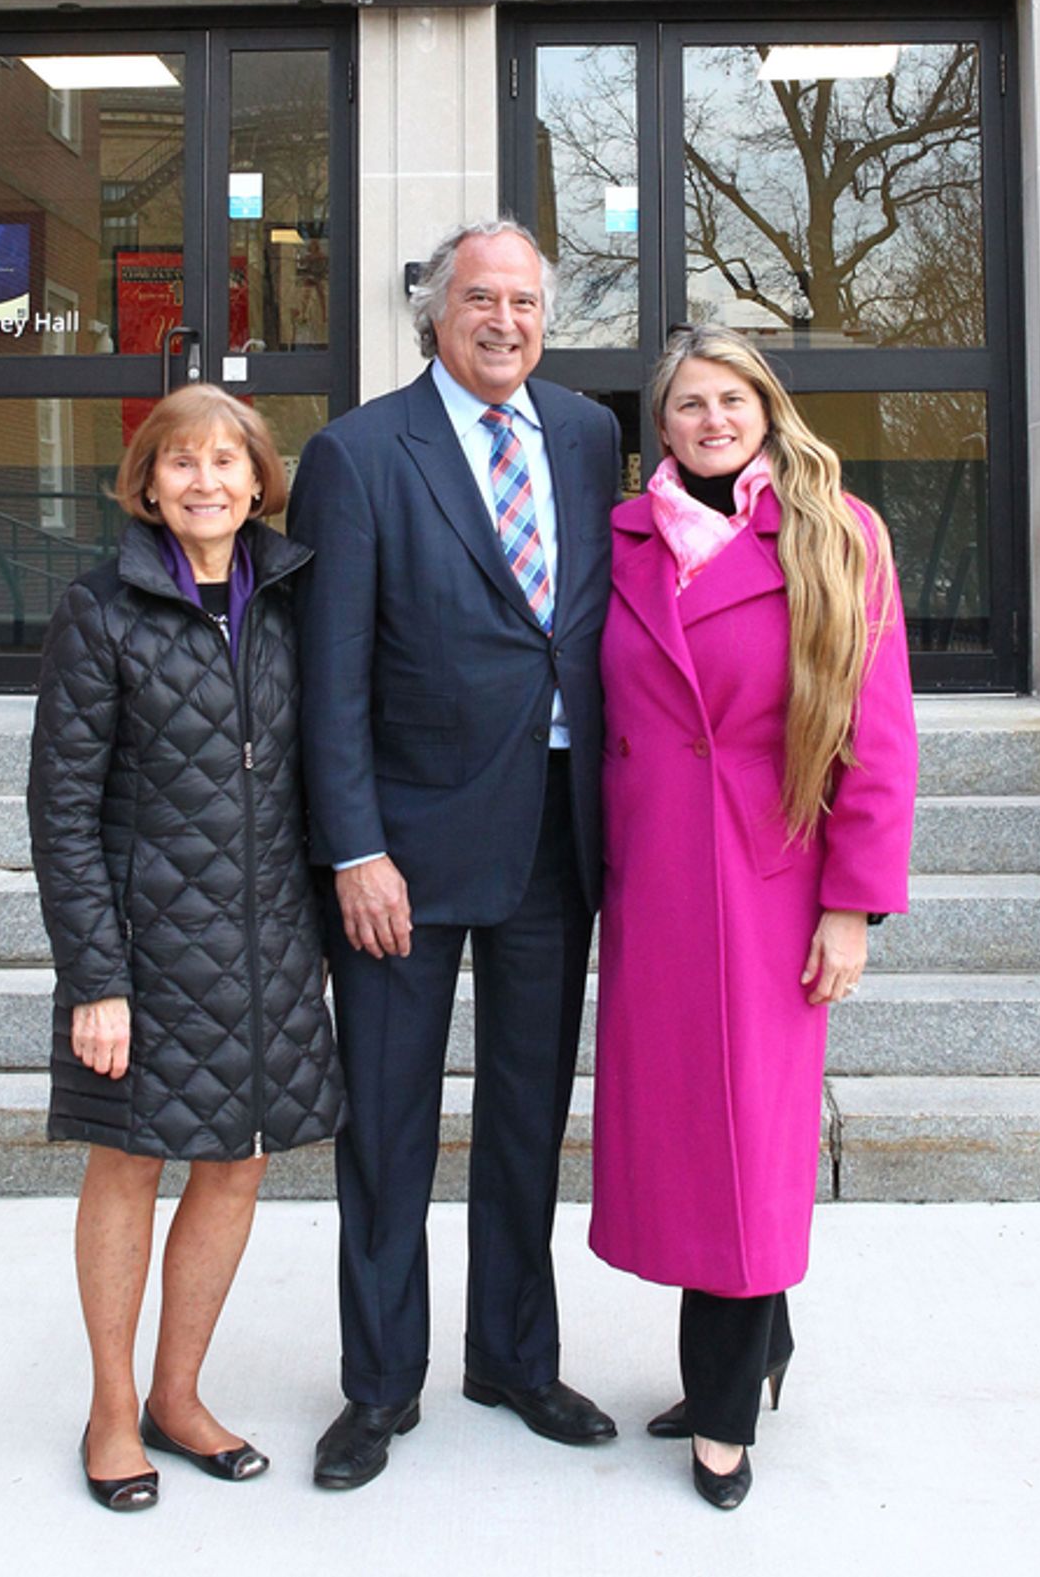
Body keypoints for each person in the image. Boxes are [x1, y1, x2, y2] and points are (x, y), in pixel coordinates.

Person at [289, 219, 621, 1491]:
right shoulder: (359, 453)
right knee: (386, 1126)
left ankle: (513, 1358)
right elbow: (330, 681)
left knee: (529, 1115)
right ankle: (378, 1386)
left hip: (554, 830)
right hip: (405, 852)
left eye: (524, 301)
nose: (503, 321)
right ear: (432, 311)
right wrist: (353, 847)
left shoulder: (589, 438)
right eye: (478, 298)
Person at [589, 326, 916, 1511]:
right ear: (659, 427)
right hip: (652, 886)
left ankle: (723, 1404)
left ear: (766, 410)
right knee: (692, 1143)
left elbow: (878, 741)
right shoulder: (624, 540)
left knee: (747, 1147)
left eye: (730, 398)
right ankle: (751, 1348)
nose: (711, 419)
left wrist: (852, 907)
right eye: (687, 405)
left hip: (770, 887)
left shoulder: (837, 534)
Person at [29, 383, 344, 1512]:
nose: (206, 480)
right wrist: (94, 978)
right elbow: (60, 809)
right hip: (146, 946)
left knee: (240, 1158)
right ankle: (112, 1408)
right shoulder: (100, 612)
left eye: (227, 461)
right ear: (148, 484)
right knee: (128, 1160)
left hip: (268, 944)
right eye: (180, 463)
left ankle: (178, 1393)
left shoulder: (296, 604)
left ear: (259, 481)